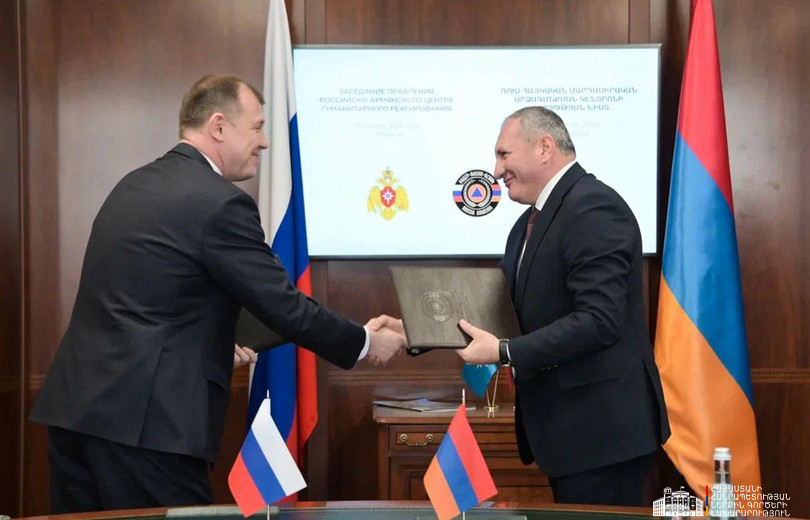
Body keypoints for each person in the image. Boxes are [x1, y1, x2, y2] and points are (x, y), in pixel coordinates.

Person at [30, 74, 406, 513]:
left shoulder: (131, 185)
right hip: (148, 428)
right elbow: (284, 306)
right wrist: (365, 342)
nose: (265, 142)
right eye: (257, 127)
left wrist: (212, 340)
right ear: (219, 126)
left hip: (75, 413)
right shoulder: (220, 202)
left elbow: (149, 300)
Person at [377, 106, 670, 506]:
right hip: (569, 435)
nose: (496, 170)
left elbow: (599, 321)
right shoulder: (529, 222)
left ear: (544, 147)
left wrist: (504, 351)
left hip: (602, 435)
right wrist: (410, 329)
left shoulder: (594, 208)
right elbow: (495, 310)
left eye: (504, 154)